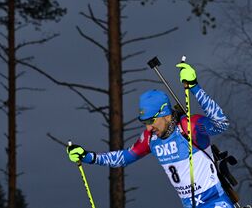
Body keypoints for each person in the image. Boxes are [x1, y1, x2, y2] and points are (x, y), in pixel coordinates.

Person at [67, 62, 234, 208]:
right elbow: (125, 157)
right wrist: (88, 156)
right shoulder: (151, 139)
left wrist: (194, 87)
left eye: (151, 121)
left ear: (166, 114)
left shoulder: (189, 126)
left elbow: (221, 123)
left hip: (215, 201)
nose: (148, 128)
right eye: (144, 122)